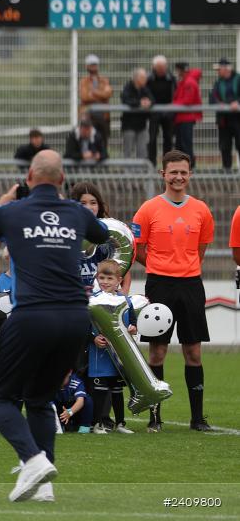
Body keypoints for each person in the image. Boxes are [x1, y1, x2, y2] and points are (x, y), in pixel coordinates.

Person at [0, 150, 108, 502]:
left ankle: (32, 461)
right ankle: (43, 486)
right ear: (62, 181)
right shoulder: (77, 212)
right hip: (76, 319)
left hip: (33, 315)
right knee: (39, 397)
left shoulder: (11, 211)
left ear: (28, 178)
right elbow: (101, 233)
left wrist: (3, 200)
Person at [132, 149, 215, 432]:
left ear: (190, 174)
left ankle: (198, 418)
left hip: (191, 284)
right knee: (158, 352)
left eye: (183, 172)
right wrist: (158, 265)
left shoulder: (202, 210)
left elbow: (201, 249)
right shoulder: (148, 209)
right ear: (163, 174)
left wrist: (185, 266)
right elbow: (138, 248)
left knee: (193, 351)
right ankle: (154, 416)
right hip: (160, 285)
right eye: (173, 172)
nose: (178, 177)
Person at [88, 259, 137, 435]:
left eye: (109, 278)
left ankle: (120, 423)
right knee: (100, 390)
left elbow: (132, 321)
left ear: (119, 280)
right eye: (101, 277)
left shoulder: (125, 301)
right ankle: (97, 423)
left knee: (117, 390)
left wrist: (133, 327)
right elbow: (85, 327)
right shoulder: (92, 301)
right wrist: (93, 339)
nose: (105, 282)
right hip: (98, 355)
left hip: (119, 356)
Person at [70, 182, 131, 293]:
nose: (88, 207)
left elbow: (122, 266)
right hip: (75, 299)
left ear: (99, 205)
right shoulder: (66, 232)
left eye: (93, 203)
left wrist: (124, 291)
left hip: (103, 300)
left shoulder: (109, 233)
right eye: (83, 203)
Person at [209, 57, 240, 172]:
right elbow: (212, 99)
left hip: (237, 119)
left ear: (226, 69)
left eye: (219, 69)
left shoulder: (238, 79)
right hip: (224, 121)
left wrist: (237, 103)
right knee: (225, 147)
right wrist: (222, 104)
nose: (218, 71)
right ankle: (227, 174)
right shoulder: (218, 83)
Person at [79, 54, 113, 147]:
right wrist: (101, 95)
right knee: (88, 142)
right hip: (88, 117)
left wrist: (93, 93)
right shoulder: (83, 81)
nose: (94, 67)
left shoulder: (104, 80)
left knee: (103, 142)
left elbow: (108, 93)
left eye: (95, 64)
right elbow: (84, 96)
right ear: (87, 66)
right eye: (91, 65)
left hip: (103, 117)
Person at [147, 55, 176, 166]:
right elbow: (145, 92)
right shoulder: (149, 79)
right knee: (152, 139)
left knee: (168, 139)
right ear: (154, 67)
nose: (161, 70)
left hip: (168, 113)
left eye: (163, 67)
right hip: (153, 113)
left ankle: (167, 164)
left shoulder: (171, 79)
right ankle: (151, 164)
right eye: (158, 68)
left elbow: (176, 93)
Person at [120, 68, 155, 160]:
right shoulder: (127, 87)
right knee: (128, 150)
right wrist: (140, 103)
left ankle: (141, 172)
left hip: (142, 125)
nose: (145, 79)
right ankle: (128, 173)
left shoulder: (145, 89)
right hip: (129, 125)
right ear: (136, 78)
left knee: (142, 150)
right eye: (143, 77)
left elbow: (152, 99)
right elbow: (126, 100)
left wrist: (149, 102)